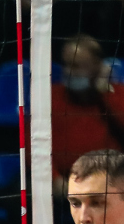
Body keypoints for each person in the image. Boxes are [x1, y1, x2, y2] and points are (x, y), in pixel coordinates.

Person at [50, 37, 124, 179]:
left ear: (97, 66)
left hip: (111, 179)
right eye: (66, 65)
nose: (68, 72)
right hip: (63, 181)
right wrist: (54, 179)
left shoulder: (116, 94)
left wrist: (104, 91)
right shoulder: (52, 96)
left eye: (76, 66)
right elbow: (33, 143)